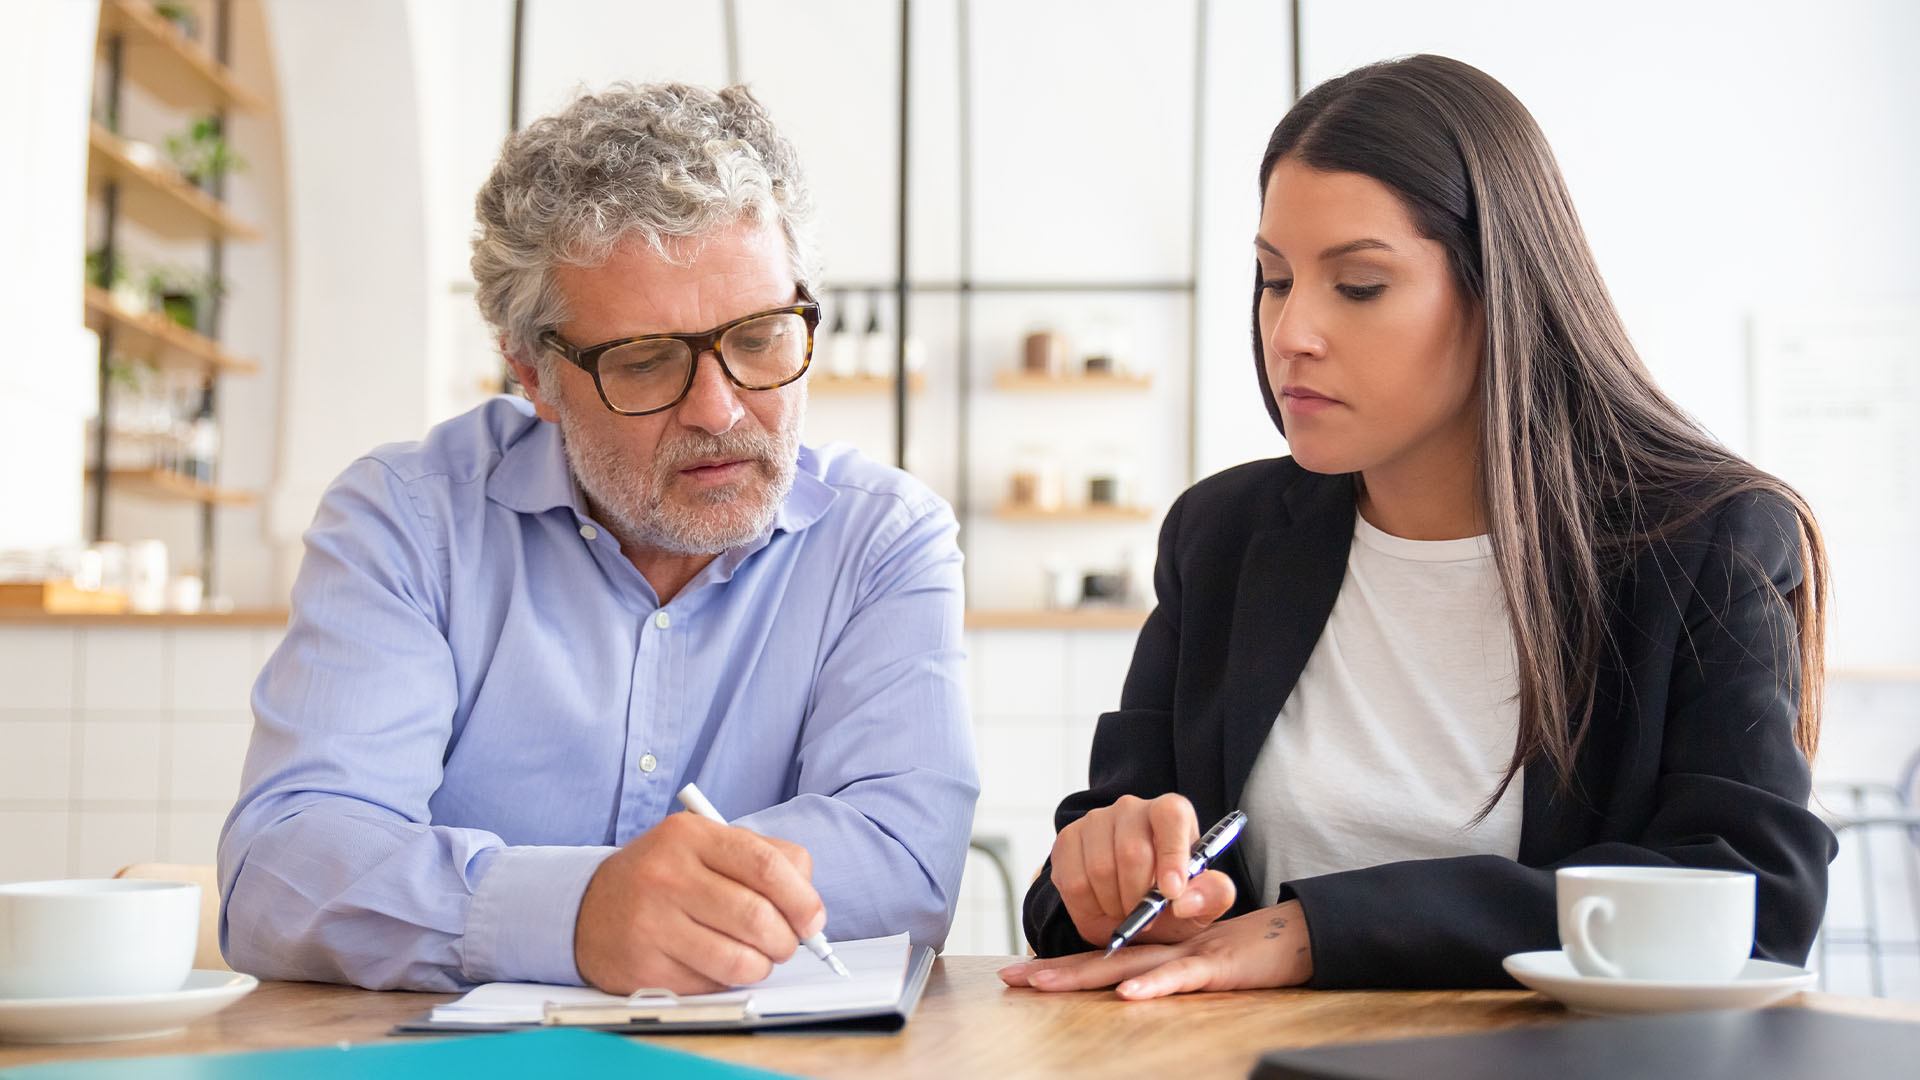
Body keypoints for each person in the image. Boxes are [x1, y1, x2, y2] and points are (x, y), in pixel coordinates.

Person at [1001, 54, 1835, 998]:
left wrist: (1322, 931)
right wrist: (1106, 878)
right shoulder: (1223, 535)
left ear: (1499, 295)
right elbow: (1078, 890)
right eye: (1274, 280)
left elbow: (1754, 902)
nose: (1290, 333)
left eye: (1357, 286)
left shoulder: (1702, 544)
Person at [219, 83, 978, 994]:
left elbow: (905, 860)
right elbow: (284, 865)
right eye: (646, 362)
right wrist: (576, 915)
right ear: (534, 375)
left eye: (762, 339)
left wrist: (622, 909)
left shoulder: (883, 539)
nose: (720, 409)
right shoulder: (409, 520)